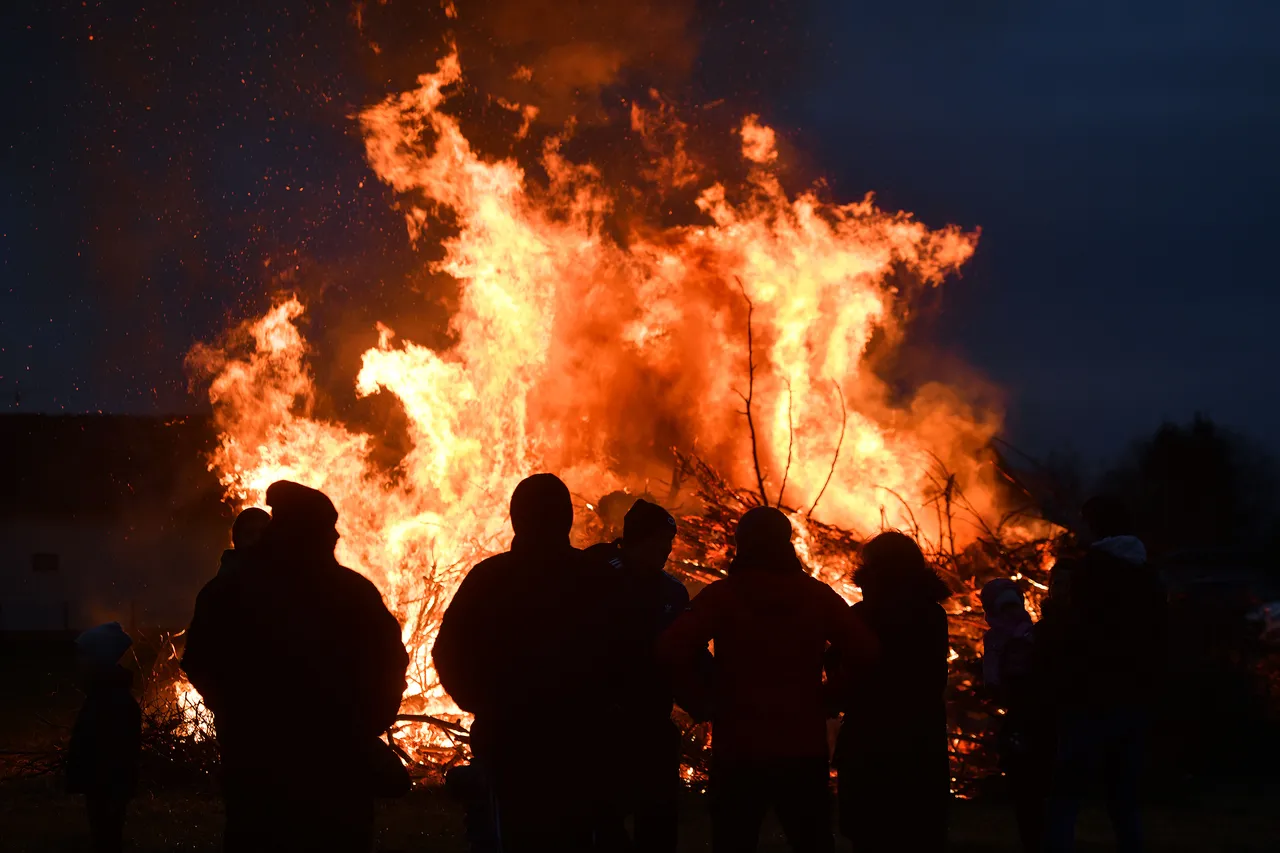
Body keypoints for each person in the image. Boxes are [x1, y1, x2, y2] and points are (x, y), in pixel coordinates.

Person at [182, 481, 409, 853]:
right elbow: (389, 664)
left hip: (256, 771)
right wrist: (365, 725)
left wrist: (237, 719)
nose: (336, 534)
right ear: (307, 530)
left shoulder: (228, 591)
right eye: (328, 525)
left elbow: (201, 663)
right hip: (336, 775)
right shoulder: (352, 593)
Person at [659, 506, 877, 853]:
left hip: (739, 748)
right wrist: (830, 697)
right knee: (812, 844)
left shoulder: (723, 596)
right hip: (801, 747)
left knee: (733, 843)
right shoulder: (816, 596)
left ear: (742, 544)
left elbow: (671, 650)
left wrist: (700, 701)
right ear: (786, 543)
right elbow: (865, 652)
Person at [432, 473, 628, 853]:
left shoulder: (490, 577)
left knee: (511, 836)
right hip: (582, 741)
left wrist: (483, 704)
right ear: (566, 519)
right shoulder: (598, 578)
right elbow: (628, 651)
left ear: (516, 517)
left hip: (510, 741)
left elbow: (448, 650)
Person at [1039, 495, 1167, 853]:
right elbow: (1159, 637)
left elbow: (1077, 634)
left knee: (1065, 795)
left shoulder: (1092, 570)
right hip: (1134, 696)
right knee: (1123, 798)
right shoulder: (1147, 574)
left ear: (1096, 525)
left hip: (1090, 697)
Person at [833, 531, 951, 853]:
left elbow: (844, 675)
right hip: (922, 742)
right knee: (920, 834)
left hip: (870, 742)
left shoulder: (860, 616)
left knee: (872, 836)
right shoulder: (933, 615)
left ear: (873, 570)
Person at [584, 498, 687, 853]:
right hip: (603, 725)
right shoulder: (595, 574)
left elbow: (682, 654)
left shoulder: (672, 592)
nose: (666, 551)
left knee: (657, 822)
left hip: (651, 722)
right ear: (636, 541)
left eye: (669, 543)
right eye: (660, 543)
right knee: (602, 819)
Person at [981, 578, 1052, 853]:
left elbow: (993, 679)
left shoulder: (1007, 636)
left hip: (1026, 717)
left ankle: (1036, 838)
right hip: (1032, 716)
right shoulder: (1027, 632)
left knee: (1029, 785)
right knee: (1033, 786)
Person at [66, 622, 141, 853]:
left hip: (108, 788)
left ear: (100, 660)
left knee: (107, 838)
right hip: (100, 786)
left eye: (84, 656)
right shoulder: (102, 696)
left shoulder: (113, 702)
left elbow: (115, 752)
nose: (78, 662)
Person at [215, 507, 271, 578]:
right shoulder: (223, 585)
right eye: (250, 533)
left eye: (264, 533)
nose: (257, 538)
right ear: (238, 537)